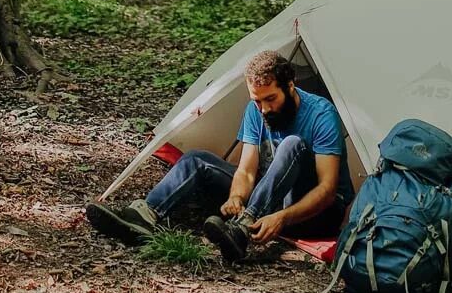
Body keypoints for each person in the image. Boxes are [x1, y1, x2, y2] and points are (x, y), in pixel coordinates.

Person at [85, 50, 355, 261]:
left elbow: (328, 190)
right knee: (196, 159)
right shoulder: (256, 111)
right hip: (271, 200)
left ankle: (243, 227)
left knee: (292, 144)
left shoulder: (321, 114)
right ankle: (143, 216)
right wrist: (237, 196)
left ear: (290, 86)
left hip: (318, 214)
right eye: (257, 100)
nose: (263, 109)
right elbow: (247, 170)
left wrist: (281, 218)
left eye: (270, 99)